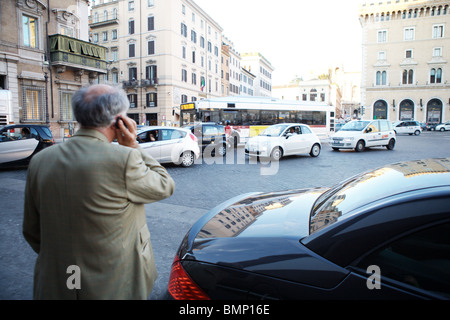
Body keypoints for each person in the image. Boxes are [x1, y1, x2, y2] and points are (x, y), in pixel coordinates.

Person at [22, 84, 175, 300]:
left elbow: (31, 230)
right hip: (112, 285)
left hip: (57, 281)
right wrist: (134, 147)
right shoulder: (125, 159)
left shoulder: (40, 161)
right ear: (118, 120)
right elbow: (165, 184)